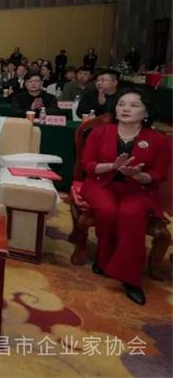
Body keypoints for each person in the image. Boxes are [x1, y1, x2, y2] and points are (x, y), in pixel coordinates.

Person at [81, 88, 171, 305]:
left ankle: (131, 278)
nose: (125, 109)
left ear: (146, 112)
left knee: (131, 215)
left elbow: (159, 175)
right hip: (102, 184)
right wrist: (111, 166)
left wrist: (139, 175)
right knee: (107, 211)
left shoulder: (159, 140)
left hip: (138, 189)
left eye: (134, 105)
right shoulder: (99, 132)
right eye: (121, 104)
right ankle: (103, 259)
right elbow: (88, 164)